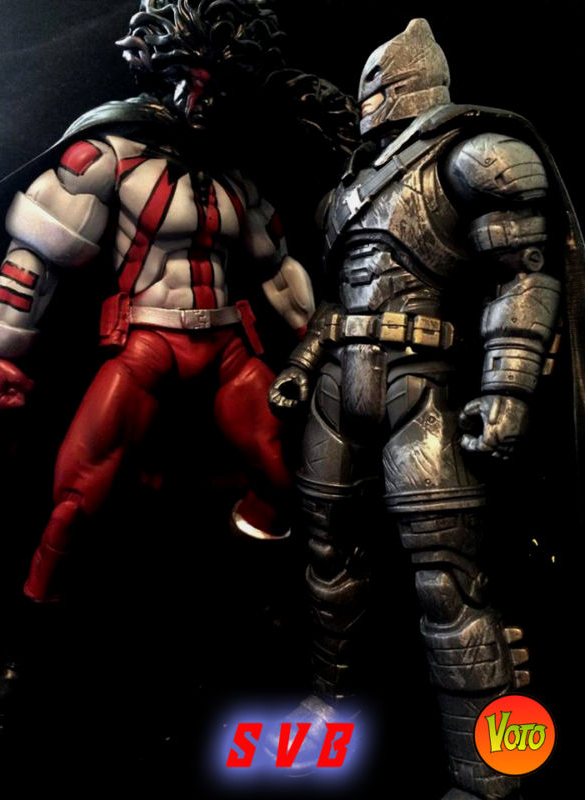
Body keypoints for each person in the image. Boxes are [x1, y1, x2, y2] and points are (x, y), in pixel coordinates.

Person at [0, 0, 358, 739]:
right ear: (160, 72)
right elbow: (37, 255)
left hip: (227, 348)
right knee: (75, 499)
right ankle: (23, 656)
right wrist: (3, 348)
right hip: (147, 346)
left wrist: (320, 341)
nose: (202, 97)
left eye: (219, 83)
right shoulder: (112, 156)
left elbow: (278, 272)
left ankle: (249, 608)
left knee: (291, 481)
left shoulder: (235, 179)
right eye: (191, 77)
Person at [269, 17, 583, 799]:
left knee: (449, 582)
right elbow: (338, 304)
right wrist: (302, 365)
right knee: (326, 561)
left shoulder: (477, 154)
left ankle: (488, 771)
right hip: (341, 388)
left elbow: (525, 275)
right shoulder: (343, 194)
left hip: (424, 386)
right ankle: (327, 717)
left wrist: (506, 389)